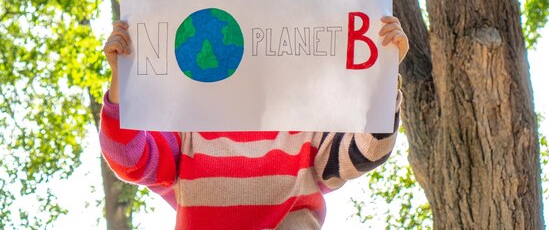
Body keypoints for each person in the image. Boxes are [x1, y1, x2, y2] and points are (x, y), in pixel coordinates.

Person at [100, 16, 409, 230]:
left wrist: (383, 73)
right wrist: (121, 78)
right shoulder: (187, 129)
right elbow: (130, 157)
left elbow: (365, 151)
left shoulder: (304, 126)